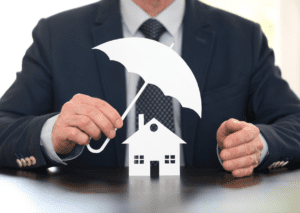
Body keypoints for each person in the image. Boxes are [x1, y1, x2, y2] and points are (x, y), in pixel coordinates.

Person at [0, 0, 300, 178]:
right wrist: (50, 135)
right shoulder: (57, 35)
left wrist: (259, 144)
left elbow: (294, 123)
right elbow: (4, 127)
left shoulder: (243, 38)